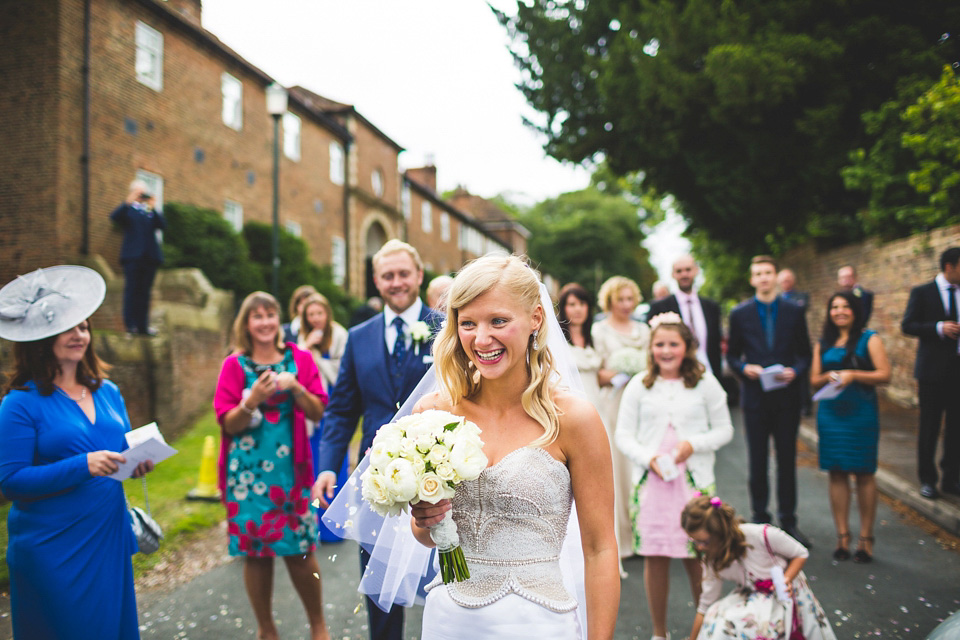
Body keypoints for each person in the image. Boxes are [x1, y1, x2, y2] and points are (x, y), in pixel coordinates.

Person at [408, 254, 619, 639]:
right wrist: (425, 517)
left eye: (498, 321)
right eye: (467, 323)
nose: (481, 338)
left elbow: (600, 548)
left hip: (539, 622)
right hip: (450, 621)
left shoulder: (574, 418)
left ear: (536, 319)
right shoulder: (434, 412)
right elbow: (423, 535)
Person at [0, 265, 154, 639]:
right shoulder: (19, 404)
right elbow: (10, 481)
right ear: (41, 337)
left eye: (84, 326)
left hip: (106, 532)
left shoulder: (109, 391)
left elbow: (117, 453)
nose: (79, 334)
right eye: (69, 327)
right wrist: (82, 465)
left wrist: (136, 463)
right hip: (53, 544)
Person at [312, 239, 440, 640]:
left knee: (448, 580)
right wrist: (329, 465)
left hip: (441, 472)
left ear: (419, 276)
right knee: (380, 586)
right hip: (377, 480)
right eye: (388, 275)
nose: (397, 282)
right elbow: (341, 409)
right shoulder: (359, 336)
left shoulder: (448, 327)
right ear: (376, 281)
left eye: (404, 274)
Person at [213, 291, 331, 640]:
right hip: (248, 475)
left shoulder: (300, 359)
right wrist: (252, 400)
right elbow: (228, 423)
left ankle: (318, 626)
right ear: (246, 324)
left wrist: (295, 387)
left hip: (290, 472)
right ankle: (266, 630)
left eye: (269, 315)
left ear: (277, 320)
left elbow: (318, 411)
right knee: (256, 554)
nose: (264, 322)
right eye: (256, 316)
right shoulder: (234, 366)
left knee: (300, 550)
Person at [616, 313, 733, 640]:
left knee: (697, 554)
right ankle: (659, 632)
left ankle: (707, 629)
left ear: (687, 347)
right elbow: (623, 435)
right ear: (651, 348)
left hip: (691, 482)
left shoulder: (705, 383)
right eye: (659, 345)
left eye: (673, 344)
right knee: (655, 555)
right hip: (652, 484)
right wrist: (647, 457)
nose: (666, 351)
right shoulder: (639, 385)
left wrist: (693, 444)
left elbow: (725, 429)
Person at [727, 255, 812, 547]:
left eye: (768, 272)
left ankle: (789, 522)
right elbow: (731, 356)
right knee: (757, 462)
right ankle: (761, 522)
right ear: (752, 279)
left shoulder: (794, 311)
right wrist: (743, 369)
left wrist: (796, 371)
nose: (763, 278)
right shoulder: (740, 313)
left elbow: (805, 353)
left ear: (776, 276)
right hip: (755, 398)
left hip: (787, 397)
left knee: (787, 460)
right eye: (758, 273)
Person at [681, 495, 837, 640]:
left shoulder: (761, 535)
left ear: (719, 532)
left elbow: (800, 553)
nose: (700, 547)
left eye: (704, 541)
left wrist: (786, 579)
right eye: (694, 541)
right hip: (753, 596)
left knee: (734, 623)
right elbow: (705, 606)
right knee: (714, 614)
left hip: (784, 594)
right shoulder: (712, 558)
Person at [810, 292, 891, 563]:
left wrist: (853, 374)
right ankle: (842, 535)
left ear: (855, 310)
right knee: (836, 472)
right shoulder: (823, 342)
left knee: (864, 472)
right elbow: (813, 380)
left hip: (861, 413)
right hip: (831, 415)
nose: (840, 311)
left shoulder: (871, 338)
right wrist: (829, 376)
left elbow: (885, 375)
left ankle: (866, 537)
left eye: (845, 306)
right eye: (834, 307)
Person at [592, 275, 651, 564]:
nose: (626, 305)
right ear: (610, 301)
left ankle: (648, 534)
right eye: (621, 299)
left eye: (630, 299)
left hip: (644, 403)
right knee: (621, 469)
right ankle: (624, 539)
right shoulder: (600, 331)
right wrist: (617, 374)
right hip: (614, 402)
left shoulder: (644, 330)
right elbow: (597, 372)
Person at [901, 247, 960, 500]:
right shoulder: (922, 292)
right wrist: (937, 327)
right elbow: (907, 325)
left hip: (958, 371)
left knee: (956, 428)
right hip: (932, 372)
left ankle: (951, 479)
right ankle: (927, 479)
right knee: (930, 426)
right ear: (950, 266)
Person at [297, 292, 349, 541]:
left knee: (334, 466)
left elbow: (343, 374)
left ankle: (335, 528)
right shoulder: (302, 339)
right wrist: (306, 348)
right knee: (315, 468)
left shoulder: (340, 335)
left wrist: (316, 357)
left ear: (327, 314)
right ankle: (316, 524)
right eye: (311, 315)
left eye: (319, 313)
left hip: (334, 408)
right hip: (311, 414)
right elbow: (296, 369)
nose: (316, 318)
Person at [648, 255, 723, 377]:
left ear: (696, 271)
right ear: (673, 274)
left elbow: (716, 345)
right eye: (679, 271)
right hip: (676, 374)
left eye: (688, 270)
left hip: (709, 371)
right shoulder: (660, 307)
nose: (684, 275)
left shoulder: (711, 306)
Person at [110, 179, 166, 335]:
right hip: (132, 257)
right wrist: (129, 201)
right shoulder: (128, 210)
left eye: (143, 192)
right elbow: (114, 217)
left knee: (145, 293)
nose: (141, 196)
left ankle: (143, 326)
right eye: (139, 193)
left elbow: (162, 225)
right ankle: (131, 326)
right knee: (132, 291)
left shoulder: (149, 211)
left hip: (150, 257)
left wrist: (154, 207)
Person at [557, 282, 603, 409]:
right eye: (572, 304)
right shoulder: (557, 341)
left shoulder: (595, 339)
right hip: (570, 405)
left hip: (596, 403)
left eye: (582, 304)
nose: (578, 309)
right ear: (563, 308)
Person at [778, 268, 812, 415]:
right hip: (781, 344)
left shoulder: (801, 297)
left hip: (797, 342)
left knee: (801, 374)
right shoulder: (776, 298)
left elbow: (801, 308)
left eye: (788, 280)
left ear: (793, 281)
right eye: (783, 280)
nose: (786, 283)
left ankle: (806, 405)